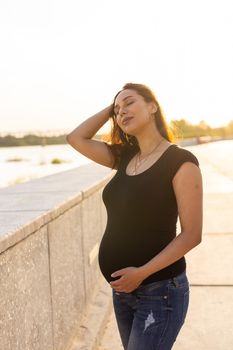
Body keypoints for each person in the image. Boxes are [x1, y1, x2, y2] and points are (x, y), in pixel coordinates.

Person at [66, 83, 203, 350]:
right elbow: (76, 138)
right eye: (117, 110)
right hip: (124, 291)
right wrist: (112, 108)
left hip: (160, 290)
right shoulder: (125, 157)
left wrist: (141, 273)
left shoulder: (181, 161)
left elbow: (192, 235)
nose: (121, 112)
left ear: (153, 106)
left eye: (129, 103)